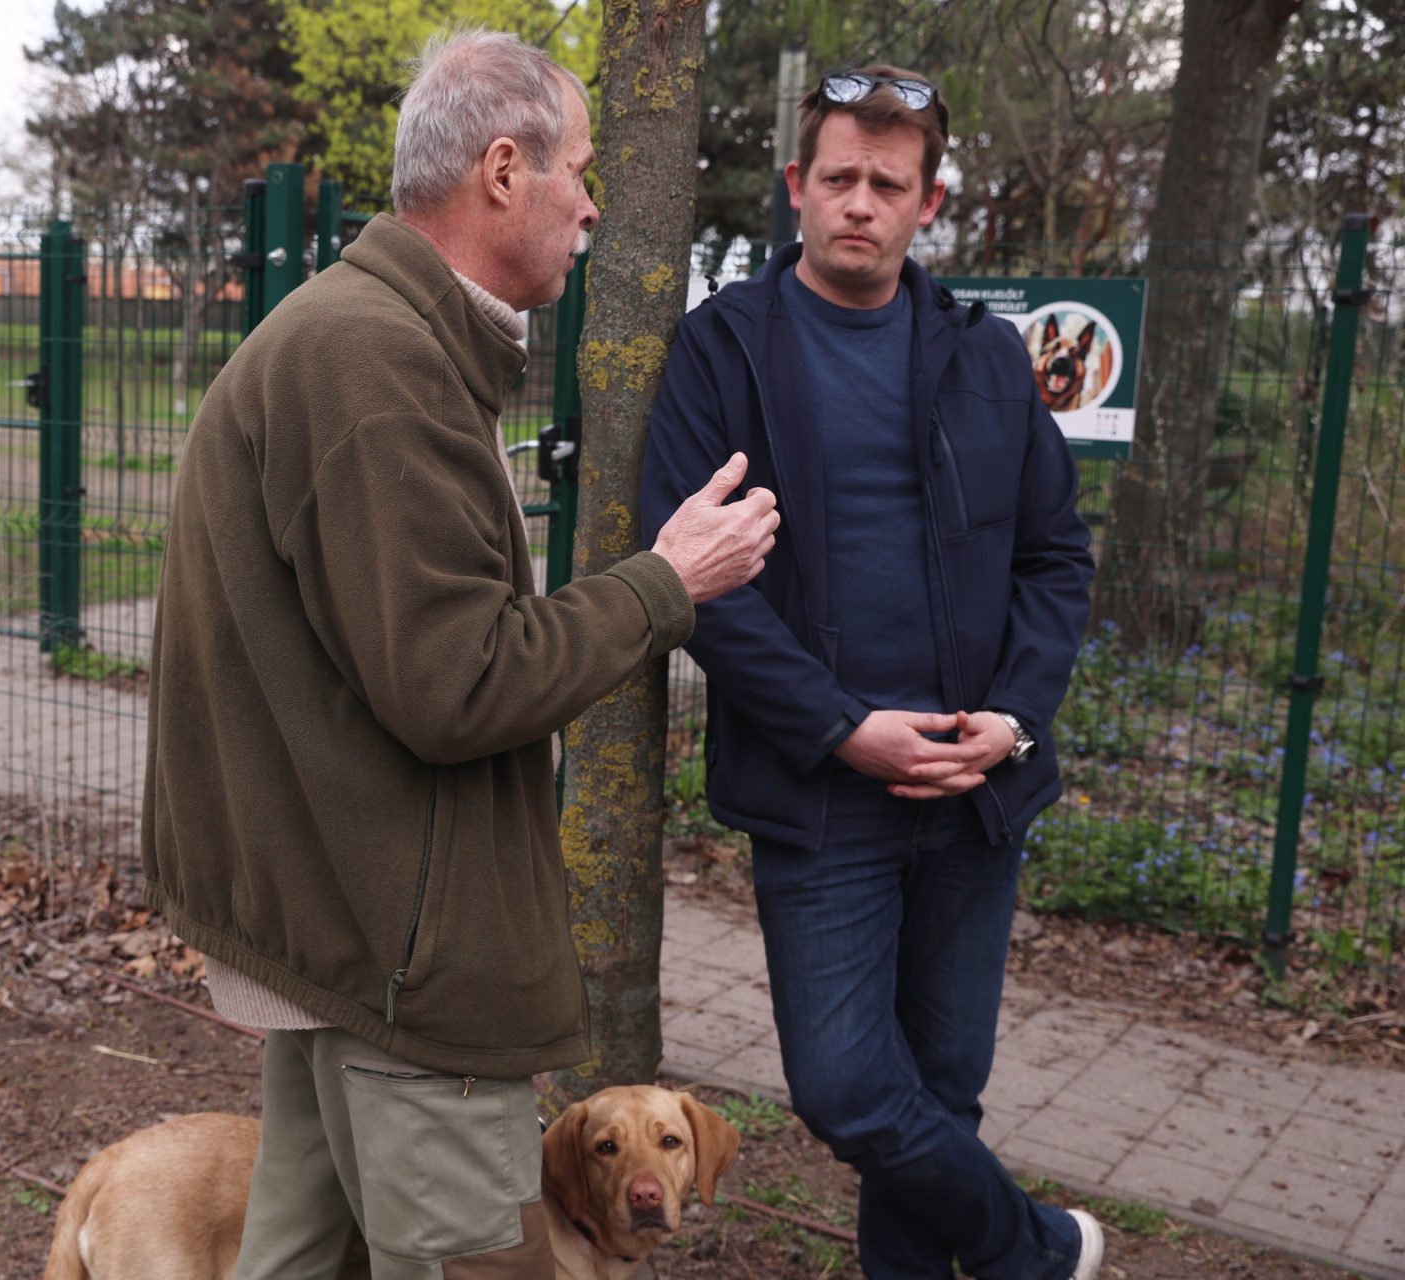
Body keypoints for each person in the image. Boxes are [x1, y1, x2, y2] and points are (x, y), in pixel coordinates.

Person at [141, 28, 781, 1280]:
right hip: (404, 962)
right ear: (501, 171)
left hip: (347, 926)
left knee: (298, 1261)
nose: (592, 204)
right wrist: (667, 581)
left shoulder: (371, 337)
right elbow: (461, 680)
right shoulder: (376, 363)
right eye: (578, 170)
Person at [640, 66, 1100, 1280]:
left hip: (972, 785)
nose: (860, 203)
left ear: (927, 202)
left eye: (887, 184)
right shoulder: (724, 348)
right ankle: (1039, 1248)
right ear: (797, 185)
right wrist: (844, 725)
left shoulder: (987, 357)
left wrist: (1014, 717)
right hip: (822, 791)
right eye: (838, 177)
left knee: (943, 1087)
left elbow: (1056, 556)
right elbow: (695, 581)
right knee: (846, 1083)